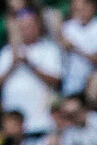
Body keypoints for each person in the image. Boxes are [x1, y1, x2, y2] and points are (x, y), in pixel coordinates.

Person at [0, 8, 62, 136]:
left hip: (42, 119)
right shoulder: (6, 52)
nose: (25, 30)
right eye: (22, 27)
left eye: (29, 26)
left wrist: (29, 64)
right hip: (13, 123)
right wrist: (12, 64)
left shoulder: (49, 49)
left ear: (38, 27)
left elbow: (56, 80)